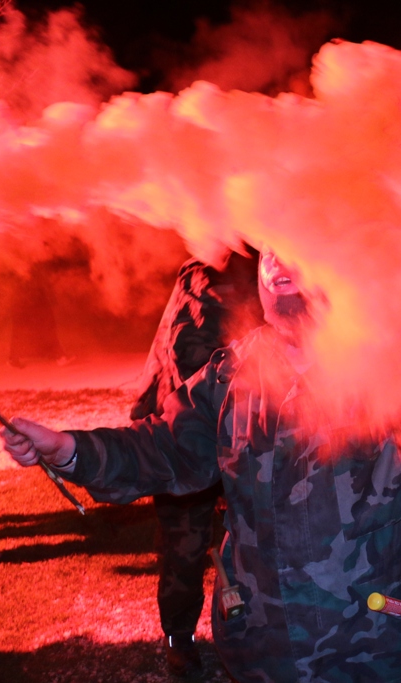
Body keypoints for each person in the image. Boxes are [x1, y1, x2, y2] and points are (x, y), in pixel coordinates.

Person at [2, 245, 401, 683]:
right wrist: (68, 449)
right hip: (273, 643)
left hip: (376, 634)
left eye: (293, 241)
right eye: (267, 248)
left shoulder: (385, 357)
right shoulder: (230, 374)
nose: (276, 259)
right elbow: (163, 447)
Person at [131, 248, 262, 679]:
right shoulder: (212, 271)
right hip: (188, 431)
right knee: (185, 548)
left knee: (257, 539)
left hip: (233, 428)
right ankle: (178, 642)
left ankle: (256, 630)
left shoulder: (260, 260)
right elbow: (192, 358)